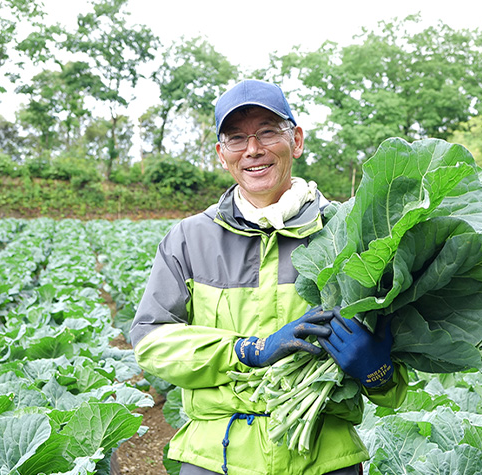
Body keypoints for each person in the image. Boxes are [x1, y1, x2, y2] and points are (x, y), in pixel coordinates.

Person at [130, 79, 407, 475]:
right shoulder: (189, 238)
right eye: (236, 138)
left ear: (296, 140)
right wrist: (248, 351)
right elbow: (151, 341)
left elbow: (394, 385)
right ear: (221, 155)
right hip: (216, 456)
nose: (253, 149)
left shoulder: (352, 231)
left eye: (266, 132)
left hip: (325, 457)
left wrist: (378, 372)